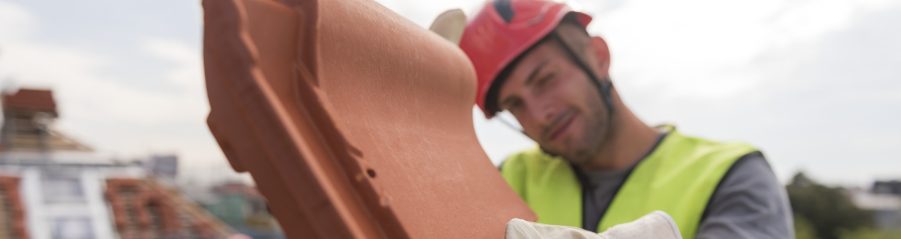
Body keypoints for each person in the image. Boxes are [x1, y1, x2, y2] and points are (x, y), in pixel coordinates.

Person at [457, 0, 794, 238]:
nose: (539, 114)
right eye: (515, 104)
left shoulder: (730, 174)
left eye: (546, 79)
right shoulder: (511, 179)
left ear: (599, 58)